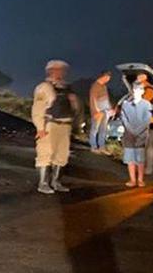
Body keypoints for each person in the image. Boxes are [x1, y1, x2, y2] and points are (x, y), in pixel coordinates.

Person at [31, 59, 78, 194]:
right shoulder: (44, 87)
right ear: (50, 70)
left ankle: (56, 181)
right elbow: (38, 108)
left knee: (61, 155)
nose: (60, 72)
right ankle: (43, 183)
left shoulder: (67, 88)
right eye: (57, 69)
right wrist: (40, 127)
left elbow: (73, 108)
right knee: (45, 153)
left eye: (62, 69)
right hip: (50, 125)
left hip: (65, 125)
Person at [117, 83, 151, 187]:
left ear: (142, 91)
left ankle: (140, 180)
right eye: (135, 89)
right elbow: (124, 118)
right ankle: (132, 180)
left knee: (140, 159)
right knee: (130, 159)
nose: (136, 91)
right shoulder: (126, 104)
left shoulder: (146, 104)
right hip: (129, 135)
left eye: (139, 89)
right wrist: (131, 130)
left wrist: (138, 131)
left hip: (141, 136)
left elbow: (147, 120)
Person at [88, 71, 112, 152]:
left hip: (105, 111)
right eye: (107, 78)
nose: (108, 80)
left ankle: (102, 147)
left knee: (103, 130)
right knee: (95, 129)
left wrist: (110, 109)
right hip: (98, 111)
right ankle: (93, 146)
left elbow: (106, 99)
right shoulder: (95, 86)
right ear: (103, 77)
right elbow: (93, 99)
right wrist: (95, 111)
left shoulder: (104, 87)